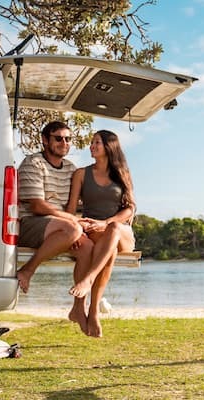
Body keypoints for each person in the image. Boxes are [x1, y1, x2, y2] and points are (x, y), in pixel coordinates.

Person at [15, 121, 95, 332]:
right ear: (45, 140)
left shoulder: (70, 168)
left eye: (68, 139)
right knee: (72, 229)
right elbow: (37, 206)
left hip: (60, 226)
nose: (64, 143)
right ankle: (28, 270)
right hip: (29, 224)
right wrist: (73, 223)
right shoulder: (33, 163)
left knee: (88, 247)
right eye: (58, 138)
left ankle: (78, 308)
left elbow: (75, 205)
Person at [64, 130, 137, 338]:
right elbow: (70, 210)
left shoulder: (122, 173)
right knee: (108, 250)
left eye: (97, 142)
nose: (92, 146)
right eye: (92, 143)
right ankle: (89, 310)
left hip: (120, 232)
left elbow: (130, 209)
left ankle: (88, 284)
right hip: (92, 230)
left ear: (109, 146)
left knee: (113, 230)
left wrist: (106, 222)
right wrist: (75, 231)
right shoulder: (81, 174)